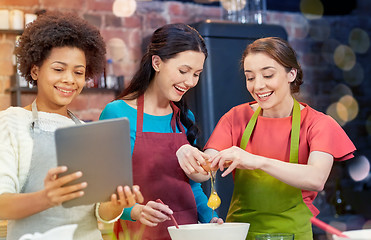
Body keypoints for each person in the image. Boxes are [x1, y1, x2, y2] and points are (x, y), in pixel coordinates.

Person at [177, 37, 356, 240]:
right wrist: (186, 152)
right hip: (242, 234)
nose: (258, 86)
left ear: (291, 74)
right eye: (250, 77)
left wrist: (257, 161)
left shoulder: (318, 124)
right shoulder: (236, 118)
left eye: (268, 75)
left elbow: (316, 179)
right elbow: (204, 170)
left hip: (293, 235)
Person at [0, 11, 143, 240]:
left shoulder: (87, 133)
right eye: (58, 69)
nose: (69, 79)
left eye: (78, 72)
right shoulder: (12, 122)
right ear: (35, 70)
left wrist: (117, 204)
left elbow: (100, 213)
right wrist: (46, 198)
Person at [100, 23, 223, 240]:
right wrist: (136, 210)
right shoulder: (117, 113)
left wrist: (210, 217)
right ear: (157, 62)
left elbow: (192, 187)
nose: (190, 82)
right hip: (138, 234)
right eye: (183, 71)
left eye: (197, 74)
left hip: (187, 234)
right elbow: (106, 192)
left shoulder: (184, 119)